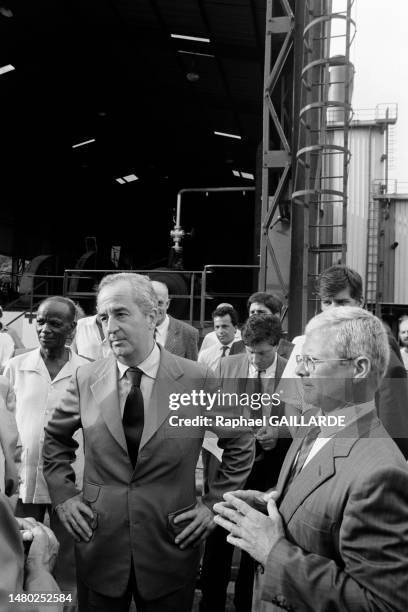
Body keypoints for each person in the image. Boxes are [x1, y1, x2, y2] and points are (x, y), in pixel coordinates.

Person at [43, 272, 254, 612]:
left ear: (153, 315)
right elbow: (55, 438)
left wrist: (215, 504)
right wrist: (64, 495)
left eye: (120, 313)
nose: (109, 326)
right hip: (99, 541)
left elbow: (241, 441)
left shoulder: (196, 378)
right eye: (102, 317)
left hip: (172, 541)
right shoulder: (85, 378)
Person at [214, 306, 408, 612]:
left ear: (358, 368)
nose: (299, 370)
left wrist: (273, 551)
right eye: (300, 359)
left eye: (312, 361)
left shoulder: (379, 474)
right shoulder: (316, 423)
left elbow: (383, 604)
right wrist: (271, 505)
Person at [200, 314, 291, 612]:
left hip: (272, 474)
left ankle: (245, 604)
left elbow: (307, 419)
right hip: (230, 469)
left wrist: (279, 432)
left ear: (276, 345)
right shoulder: (227, 365)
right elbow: (209, 416)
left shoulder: (293, 371)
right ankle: (210, 605)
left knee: (257, 546)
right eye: (250, 352)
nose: (255, 359)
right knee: (218, 543)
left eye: (262, 353)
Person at [4, 296, 88, 594]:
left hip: (69, 481)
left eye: (55, 323)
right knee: (19, 550)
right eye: (40, 321)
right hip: (24, 477)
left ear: (72, 329)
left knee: (67, 555)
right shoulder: (15, 367)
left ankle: (64, 602)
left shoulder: (86, 372)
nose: (45, 328)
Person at [281, 264, 408, 457]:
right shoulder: (303, 343)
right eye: (327, 302)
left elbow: (393, 420)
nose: (333, 310)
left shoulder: (377, 345)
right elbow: (292, 402)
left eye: (341, 302)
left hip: (356, 457)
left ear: (360, 302)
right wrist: (304, 450)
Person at [151, 280, 199, 360]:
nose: (155, 308)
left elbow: (192, 369)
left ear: (167, 304)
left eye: (159, 303)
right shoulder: (134, 330)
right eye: (151, 303)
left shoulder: (188, 333)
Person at [247, 292, 293, 360]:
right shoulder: (238, 347)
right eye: (252, 312)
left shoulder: (292, 351)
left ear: (276, 316)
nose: (255, 316)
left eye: (261, 312)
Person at [199, 305, 245, 370]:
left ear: (235, 328)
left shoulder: (246, 353)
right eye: (217, 327)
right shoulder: (204, 355)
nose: (220, 331)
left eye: (224, 326)